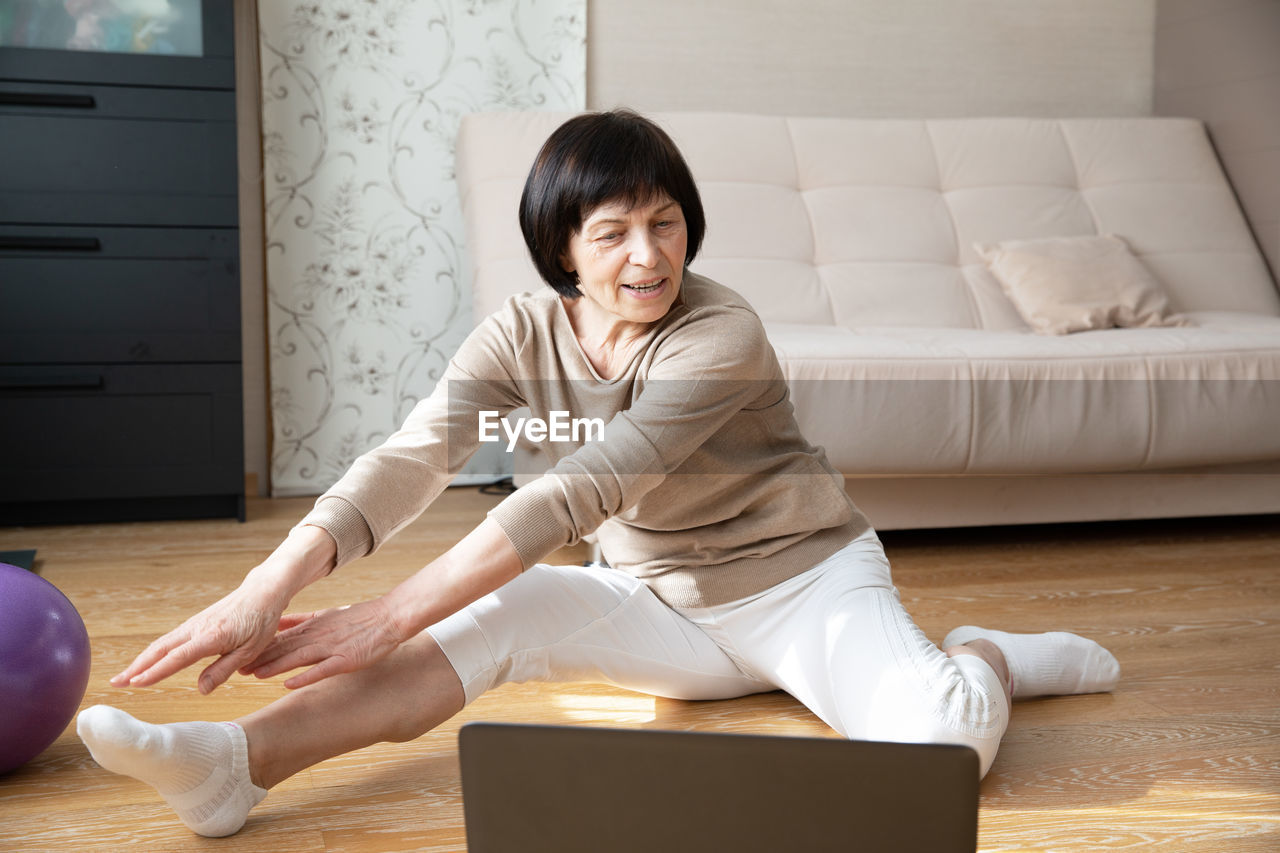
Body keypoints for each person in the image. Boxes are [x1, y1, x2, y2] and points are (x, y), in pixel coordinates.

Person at [77, 110, 1120, 838]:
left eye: (663, 222)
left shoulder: (721, 334)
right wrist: (267, 586)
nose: (645, 255)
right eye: (612, 230)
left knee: (939, 745)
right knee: (494, 616)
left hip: (802, 584)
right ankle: (230, 765)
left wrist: (382, 615)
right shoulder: (522, 333)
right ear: (562, 249)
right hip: (660, 598)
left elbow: (580, 490)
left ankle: (979, 654)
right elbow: (414, 457)